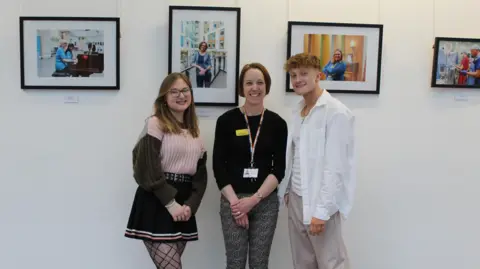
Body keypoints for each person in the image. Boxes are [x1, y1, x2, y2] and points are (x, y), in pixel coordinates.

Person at [278, 53, 356, 269]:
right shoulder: (298, 110)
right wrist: (287, 190)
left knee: (331, 262)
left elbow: (336, 167)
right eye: (293, 75)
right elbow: (295, 154)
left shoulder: (336, 112)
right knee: (302, 262)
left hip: (320, 201)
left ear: (318, 76)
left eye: (304, 74)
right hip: (296, 196)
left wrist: (321, 212)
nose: (297, 79)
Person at [124, 72, 208, 269]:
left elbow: (200, 177)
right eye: (174, 91)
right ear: (164, 97)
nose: (181, 95)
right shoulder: (155, 123)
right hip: (157, 203)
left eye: (185, 90)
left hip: (184, 207)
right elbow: (147, 167)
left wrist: (191, 206)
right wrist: (171, 204)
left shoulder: (195, 131)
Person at [213, 63, 288, 269]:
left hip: (265, 202)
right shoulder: (226, 121)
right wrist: (237, 204)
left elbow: (278, 169)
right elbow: (219, 166)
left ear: (267, 86)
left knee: (259, 263)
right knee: (235, 263)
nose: (255, 88)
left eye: (260, 82)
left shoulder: (277, 123)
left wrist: (253, 200)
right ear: (241, 87)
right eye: (249, 83)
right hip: (233, 202)